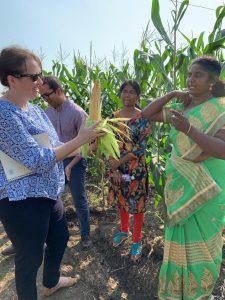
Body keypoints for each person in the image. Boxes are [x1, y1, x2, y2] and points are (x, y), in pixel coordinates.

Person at [0, 46, 103, 300]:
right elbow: (37, 159)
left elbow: (55, 145)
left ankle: (51, 283)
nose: (40, 83)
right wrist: (80, 138)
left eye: (41, 75)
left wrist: (84, 142)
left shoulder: (33, 109)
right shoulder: (4, 114)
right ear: (12, 79)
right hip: (20, 198)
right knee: (30, 257)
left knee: (60, 237)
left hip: (47, 190)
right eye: (33, 77)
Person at [142, 56, 225, 299]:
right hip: (179, 186)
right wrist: (171, 95)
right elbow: (147, 114)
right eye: (189, 74)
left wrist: (189, 129)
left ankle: (199, 294)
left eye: (198, 75)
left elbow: (222, 149)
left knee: (204, 246)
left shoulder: (220, 108)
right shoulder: (183, 109)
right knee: (179, 241)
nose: (190, 79)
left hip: (207, 187)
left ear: (213, 81)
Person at [39, 76, 92, 249]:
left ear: (59, 91)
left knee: (79, 199)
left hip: (75, 161)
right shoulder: (46, 114)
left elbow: (88, 145)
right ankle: (49, 237)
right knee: (51, 200)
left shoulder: (77, 113)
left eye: (47, 95)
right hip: (54, 160)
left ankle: (85, 236)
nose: (45, 100)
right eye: (42, 97)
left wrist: (69, 165)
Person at [107, 80, 152, 262]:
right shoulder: (113, 117)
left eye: (132, 92)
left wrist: (120, 162)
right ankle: (124, 231)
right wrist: (114, 167)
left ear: (138, 96)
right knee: (122, 199)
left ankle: (136, 241)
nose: (127, 95)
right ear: (120, 94)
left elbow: (141, 148)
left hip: (136, 170)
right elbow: (107, 143)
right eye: (124, 91)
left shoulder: (142, 118)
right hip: (118, 169)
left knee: (138, 205)